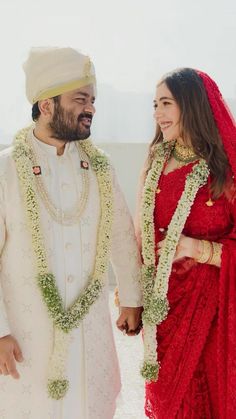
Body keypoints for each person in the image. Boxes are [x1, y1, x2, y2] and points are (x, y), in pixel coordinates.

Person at [0, 46, 143, 419]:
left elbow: (121, 236)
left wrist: (131, 297)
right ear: (46, 105)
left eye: (93, 100)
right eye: (80, 99)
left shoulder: (99, 167)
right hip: (25, 333)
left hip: (88, 326)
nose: (91, 108)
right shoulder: (5, 170)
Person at [135, 68, 236, 418]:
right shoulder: (155, 161)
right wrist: (132, 294)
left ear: (191, 105)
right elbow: (141, 233)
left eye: (166, 103)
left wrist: (196, 249)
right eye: (154, 105)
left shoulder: (226, 169)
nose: (157, 114)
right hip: (163, 309)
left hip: (212, 313)